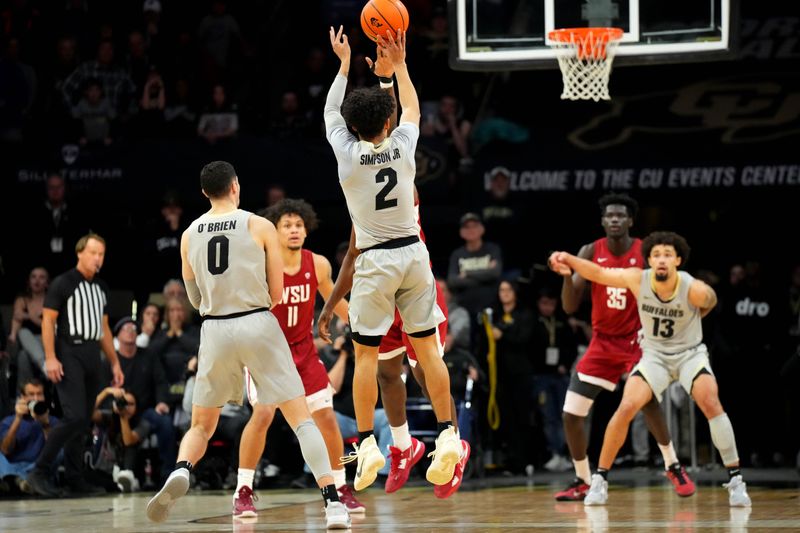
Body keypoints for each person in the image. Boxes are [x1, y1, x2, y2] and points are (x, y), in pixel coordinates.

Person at [145, 161, 349, 529]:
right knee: (302, 420)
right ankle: (333, 502)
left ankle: (181, 469)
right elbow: (277, 292)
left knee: (202, 425)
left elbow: (193, 298)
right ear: (236, 187)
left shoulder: (189, 234)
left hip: (215, 329)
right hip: (257, 322)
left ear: (205, 192)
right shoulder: (259, 225)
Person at [323, 26, 459, 491]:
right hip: (414, 256)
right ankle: (445, 435)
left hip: (375, 261)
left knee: (367, 359)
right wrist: (397, 65)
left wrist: (343, 65)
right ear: (387, 124)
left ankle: (366, 444)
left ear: (355, 127)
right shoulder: (403, 147)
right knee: (427, 352)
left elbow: (329, 112)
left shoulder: (345, 154)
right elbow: (415, 108)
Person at [549, 231, 751, 507]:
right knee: (628, 405)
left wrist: (697, 314)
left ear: (678, 260)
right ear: (649, 261)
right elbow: (596, 272)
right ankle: (599, 481)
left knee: (710, 401)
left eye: (668, 254)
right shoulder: (636, 278)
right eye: (656, 255)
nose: (662, 260)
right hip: (654, 355)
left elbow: (712, 301)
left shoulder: (692, 287)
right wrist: (568, 258)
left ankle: (736, 481)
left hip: (689, 354)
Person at [552, 193, 693, 501]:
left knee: (648, 402)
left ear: (630, 220)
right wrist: (566, 277)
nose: (614, 219)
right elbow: (569, 306)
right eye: (609, 215)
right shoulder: (589, 251)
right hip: (602, 342)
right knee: (570, 414)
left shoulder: (646, 252)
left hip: (637, 340)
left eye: (621, 215)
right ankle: (582, 479)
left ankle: (672, 464)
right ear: (603, 221)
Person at [231, 198, 365, 517]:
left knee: (327, 420)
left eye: (298, 225)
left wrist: (363, 327)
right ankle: (243, 489)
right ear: (274, 232)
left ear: (307, 229)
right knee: (263, 415)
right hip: (266, 353)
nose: (293, 230)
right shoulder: (261, 264)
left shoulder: (317, 264)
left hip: (303, 352)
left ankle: (341, 486)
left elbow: (334, 301)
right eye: (287, 225)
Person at [26, 233, 125, 497]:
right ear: (79, 253)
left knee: (84, 421)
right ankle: (39, 470)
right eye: (93, 253)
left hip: (93, 353)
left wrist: (114, 363)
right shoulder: (63, 283)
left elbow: (104, 329)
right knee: (74, 416)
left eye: (101, 254)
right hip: (69, 350)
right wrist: (50, 357)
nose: (97, 258)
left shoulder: (101, 287)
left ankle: (74, 477)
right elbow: (48, 321)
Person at [0, 379, 58, 494]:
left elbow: (56, 453)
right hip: (12, 465)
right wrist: (17, 419)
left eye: (39, 394)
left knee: (59, 449)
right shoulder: (9, 421)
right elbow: (6, 450)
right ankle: (18, 481)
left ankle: (17, 482)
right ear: (22, 397)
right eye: (31, 394)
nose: (36, 399)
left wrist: (45, 424)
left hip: (36, 468)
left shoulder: (53, 421)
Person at [8, 267, 50, 385]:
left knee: (24, 355)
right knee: (23, 335)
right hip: (29, 343)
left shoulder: (51, 300)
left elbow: (50, 327)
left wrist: (29, 316)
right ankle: (23, 397)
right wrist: (13, 334)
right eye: (33, 277)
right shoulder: (22, 299)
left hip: (49, 341)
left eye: (41, 277)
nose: (37, 280)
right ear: (29, 281)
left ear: (47, 283)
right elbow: (17, 317)